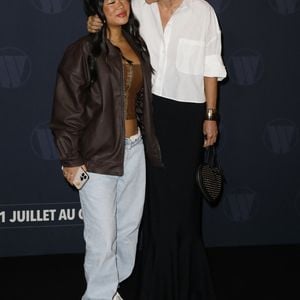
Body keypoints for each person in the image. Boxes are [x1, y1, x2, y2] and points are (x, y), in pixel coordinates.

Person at [88, 0, 226, 299]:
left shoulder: (202, 11)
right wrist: (95, 23)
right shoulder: (137, 5)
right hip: (146, 114)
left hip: (187, 118)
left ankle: (184, 282)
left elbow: (210, 66)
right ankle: (151, 281)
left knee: (183, 202)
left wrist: (210, 116)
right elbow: (112, 26)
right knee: (149, 201)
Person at [50, 0, 161, 299]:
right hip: (97, 156)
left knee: (127, 233)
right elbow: (66, 110)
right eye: (110, 1)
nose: (120, 5)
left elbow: (139, 102)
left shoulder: (137, 45)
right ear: (97, 11)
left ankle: (112, 291)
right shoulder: (83, 50)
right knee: (102, 238)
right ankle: (98, 295)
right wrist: (71, 159)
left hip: (134, 151)